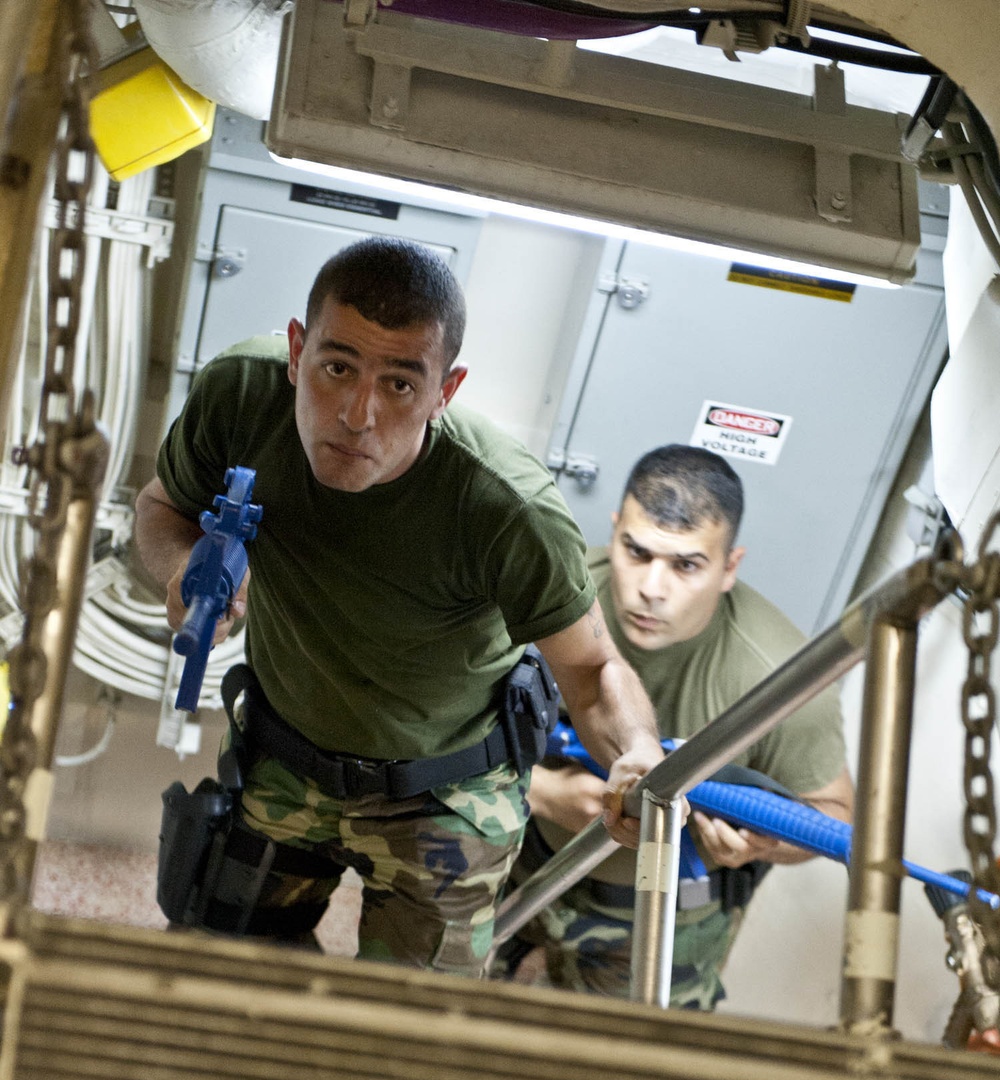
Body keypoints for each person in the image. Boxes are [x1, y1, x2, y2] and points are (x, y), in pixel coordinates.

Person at [135, 235, 663, 975]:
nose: (357, 414)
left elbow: (594, 671)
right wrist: (186, 569)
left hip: (445, 798)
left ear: (446, 390)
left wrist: (637, 754)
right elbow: (162, 508)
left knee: (408, 1039)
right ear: (296, 350)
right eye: (336, 367)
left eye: (400, 385)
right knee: (218, 982)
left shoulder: (504, 508)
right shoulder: (240, 397)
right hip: (281, 757)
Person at [491, 443, 855, 1008]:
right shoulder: (549, 594)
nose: (651, 589)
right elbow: (440, 724)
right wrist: (540, 792)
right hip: (523, 848)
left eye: (686, 565)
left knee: (631, 1065)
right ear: (614, 532)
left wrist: (762, 845)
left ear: (729, 567)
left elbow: (837, 817)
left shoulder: (780, 678)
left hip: (664, 914)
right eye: (636, 552)